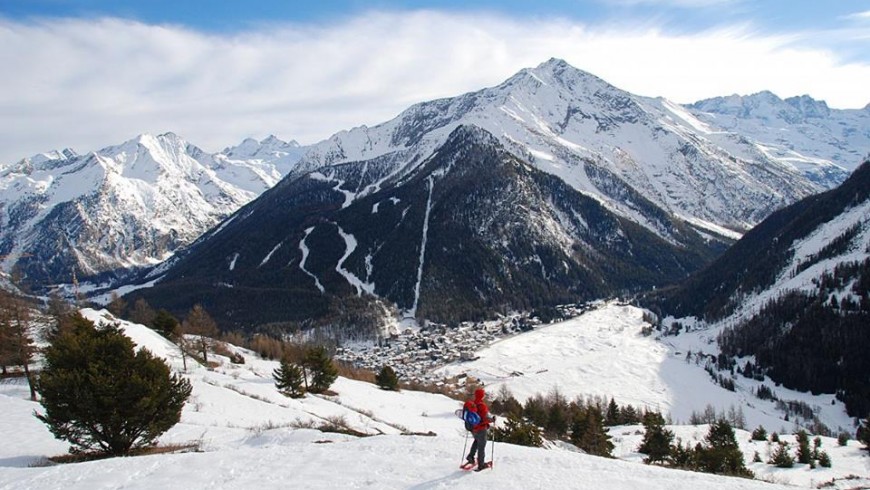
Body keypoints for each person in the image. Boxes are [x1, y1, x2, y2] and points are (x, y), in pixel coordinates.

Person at [464, 387, 496, 471]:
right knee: (481, 447)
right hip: (481, 429)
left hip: (473, 428)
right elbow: (485, 418)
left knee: (476, 442)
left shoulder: (473, 404)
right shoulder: (482, 405)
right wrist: (492, 420)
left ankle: (470, 457)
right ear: (482, 396)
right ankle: (481, 465)